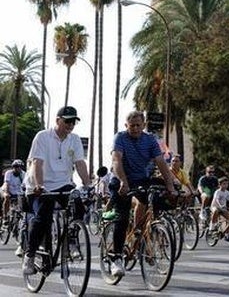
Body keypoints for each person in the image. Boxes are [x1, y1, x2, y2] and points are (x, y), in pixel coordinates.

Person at [22, 106, 91, 275]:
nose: (70, 124)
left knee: (78, 205)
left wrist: (88, 185)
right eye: (67, 121)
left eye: (73, 121)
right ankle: (29, 256)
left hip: (63, 183)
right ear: (57, 120)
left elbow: (80, 163)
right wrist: (39, 185)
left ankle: (71, 241)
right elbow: (38, 163)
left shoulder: (74, 139)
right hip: (39, 186)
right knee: (42, 218)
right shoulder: (43, 137)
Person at [108, 110, 177, 278]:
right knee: (122, 217)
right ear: (126, 126)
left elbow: (161, 163)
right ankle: (116, 258)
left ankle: (145, 231)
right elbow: (116, 160)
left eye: (139, 125)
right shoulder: (120, 138)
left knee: (164, 193)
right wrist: (123, 181)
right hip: (120, 179)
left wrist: (170, 186)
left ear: (144, 125)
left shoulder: (150, 140)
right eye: (132, 126)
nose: (136, 128)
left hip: (141, 179)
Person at [1, 159, 25, 224]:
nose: (18, 168)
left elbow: (24, 185)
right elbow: (7, 184)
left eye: (20, 167)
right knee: (7, 198)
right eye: (16, 166)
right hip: (6, 189)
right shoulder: (8, 173)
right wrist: (6, 192)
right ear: (13, 167)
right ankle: (5, 216)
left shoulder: (23, 174)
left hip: (17, 192)